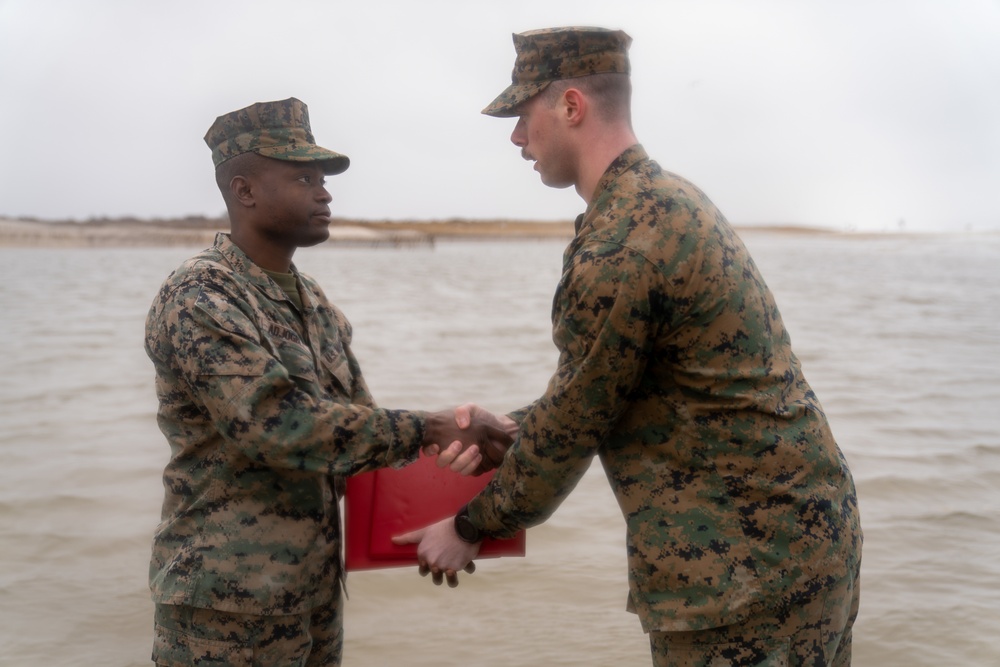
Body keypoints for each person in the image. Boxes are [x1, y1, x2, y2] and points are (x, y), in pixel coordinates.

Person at [393, 28, 863, 666]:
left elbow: (573, 429)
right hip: (799, 549)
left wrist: (469, 526)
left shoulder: (622, 244)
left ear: (571, 106)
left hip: (742, 577)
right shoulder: (668, 202)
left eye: (522, 115)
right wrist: (510, 429)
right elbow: (609, 387)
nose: (515, 138)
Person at [144, 97, 508, 666]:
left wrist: (461, 512)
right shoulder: (200, 296)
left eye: (323, 178)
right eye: (303, 177)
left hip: (313, 595)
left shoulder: (315, 304)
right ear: (245, 191)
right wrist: (430, 426)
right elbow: (276, 426)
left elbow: (356, 438)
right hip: (223, 612)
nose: (325, 192)